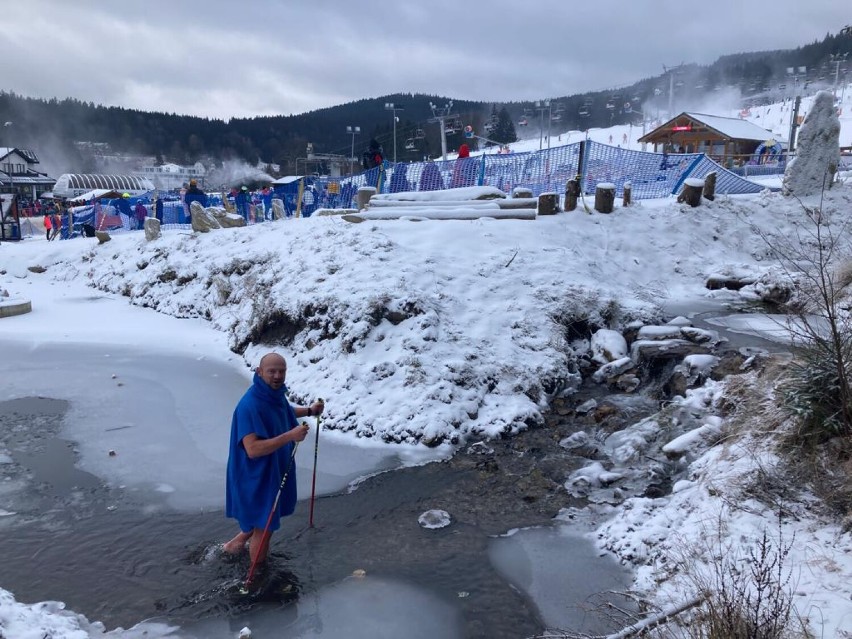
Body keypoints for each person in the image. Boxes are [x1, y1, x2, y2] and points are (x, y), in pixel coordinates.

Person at [223, 352, 325, 563]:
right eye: (272, 371)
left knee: (262, 517)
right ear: (260, 372)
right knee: (265, 526)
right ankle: (257, 576)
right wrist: (290, 435)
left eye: (282, 371)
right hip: (255, 476)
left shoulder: (271, 395)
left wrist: (308, 410)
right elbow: (252, 449)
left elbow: (282, 410)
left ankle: (235, 544)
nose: (278, 376)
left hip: (272, 469)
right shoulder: (250, 405)